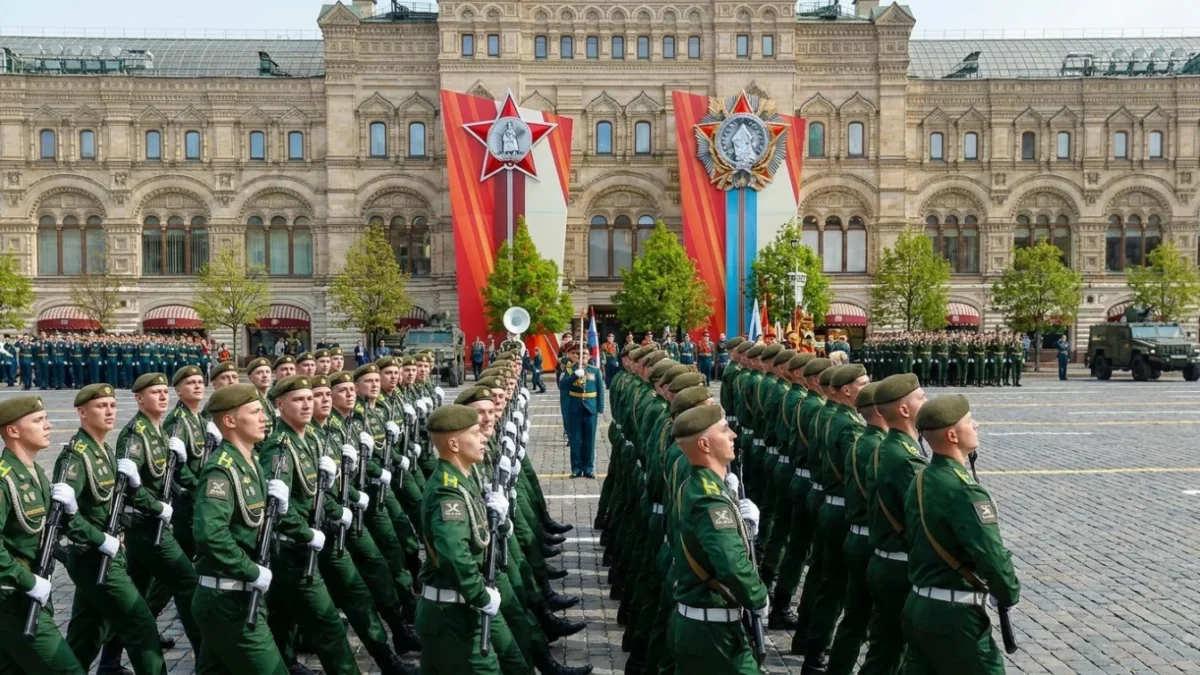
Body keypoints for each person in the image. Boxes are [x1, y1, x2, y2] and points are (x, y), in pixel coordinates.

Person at [901, 394, 1020, 675]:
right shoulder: (964, 490)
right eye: (969, 421)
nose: (976, 425)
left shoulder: (921, 478)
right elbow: (991, 556)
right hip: (954, 618)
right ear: (953, 435)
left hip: (919, 605)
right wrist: (1008, 592)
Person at [55, 384, 168, 674]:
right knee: (140, 623)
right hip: (94, 557)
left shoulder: (103, 448)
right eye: (100, 406)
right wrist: (101, 540)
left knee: (87, 634)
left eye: (112, 405)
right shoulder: (76, 457)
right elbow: (63, 517)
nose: (109, 411)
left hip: (107, 554)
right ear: (82, 412)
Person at [668, 404, 767, 675]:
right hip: (713, 634)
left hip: (700, 627)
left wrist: (745, 527)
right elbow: (730, 563)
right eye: (724, 430)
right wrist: (758, 596)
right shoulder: (709, 500)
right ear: (704, 444)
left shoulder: (700, 485)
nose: (733, 434)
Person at [414, 404, 511, 674]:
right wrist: (481, 596)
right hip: (452, 616)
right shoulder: (448, 491)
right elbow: (454, 554)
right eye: (475, 433)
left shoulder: (461, 480)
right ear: (454, 444)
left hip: (450, 610)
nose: (483, 438)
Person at [0, 396, 88, 673]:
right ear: (13, 431)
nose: (48, 426)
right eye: (38, 421)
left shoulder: (34, 472)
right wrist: (27, 581)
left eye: (47, 419)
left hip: (28, 595)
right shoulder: (5, 479)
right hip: (13, 600)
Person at [561, 344, 604, 478]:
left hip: (590, 408)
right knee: (575, 439)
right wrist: (574, 375)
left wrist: (600, 407)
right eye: (578, 354)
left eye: (585, 354)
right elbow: (563, 385)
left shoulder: (595, 371)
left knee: (589, 440)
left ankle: (589, 468)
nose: (581, 356)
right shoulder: (569, 370)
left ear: (590, 356)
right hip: (575, 407)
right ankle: (576, 468)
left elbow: (600, 390)